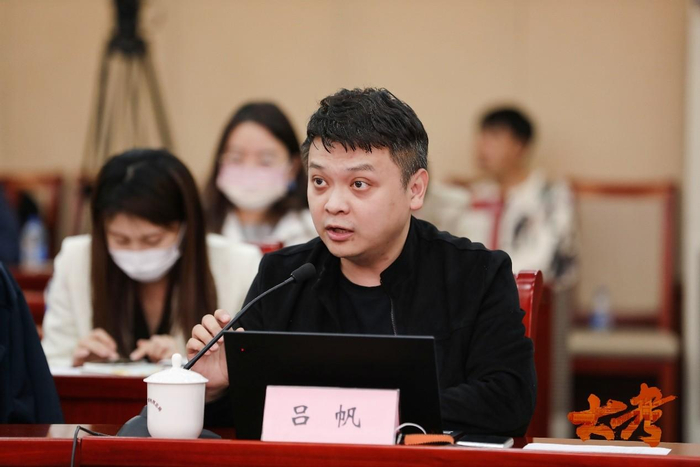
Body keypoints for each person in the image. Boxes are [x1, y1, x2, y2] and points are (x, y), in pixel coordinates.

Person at [188, 89, 536, 436]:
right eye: (319, 182)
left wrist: (370, 411)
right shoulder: (283, 276)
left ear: (415, 189)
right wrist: (213, 390)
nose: (333, 204)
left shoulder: (476, 274)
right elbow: (250, 414)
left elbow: (509, 400)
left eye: (359, 184)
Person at [42, 149, 261, 367]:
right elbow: (52, 360)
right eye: (120, 240)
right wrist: (77, 363)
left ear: (186, 227)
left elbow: (254, 366)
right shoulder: (75, 259)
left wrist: (186, 365)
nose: (136, 252)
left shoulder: (240, 265)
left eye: (153, 240)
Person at [423, 107, 577, 289]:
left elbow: (546, 261)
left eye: (494, 137)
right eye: (481, 137)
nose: (481, 146)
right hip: (476, 297)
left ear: (519, 146)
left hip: (531, 298)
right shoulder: (476, 195)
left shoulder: (550, 196)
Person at [203, 102, 316, 248]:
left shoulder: (313, 231)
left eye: (265, 161)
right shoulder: (198, 226)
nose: (249, 170)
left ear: (293, 168)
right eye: (236, 158)